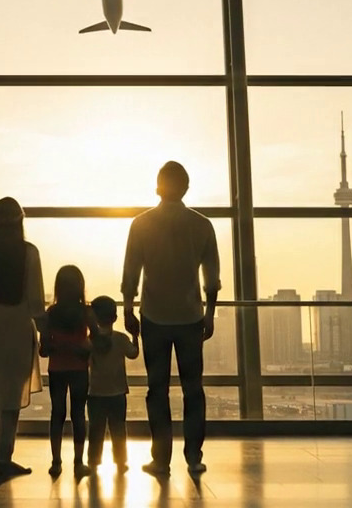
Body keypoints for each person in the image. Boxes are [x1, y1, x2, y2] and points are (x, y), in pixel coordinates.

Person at [121, 161, 219, 477]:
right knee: (193, 390)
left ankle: (161, 460)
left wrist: (128, 308)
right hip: (190, 316)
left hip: (154, 316)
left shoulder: (141, 224)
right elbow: (212, 278)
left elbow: (131, 272)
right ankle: (194, 457)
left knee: (157, 390)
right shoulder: (202, 225)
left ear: (158, 187)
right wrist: (209, 314)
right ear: (187, 188)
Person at [0, 197, 47, 479]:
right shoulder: (29, 253)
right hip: (17, 324)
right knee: (12, 395)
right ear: (20, 221)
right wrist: (44, 329)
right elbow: (36, 299)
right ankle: (5, 458)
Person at [41, 264, 94, 479]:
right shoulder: (86, 312)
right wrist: (81, 348)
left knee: (57, 414)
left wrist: (57, 347)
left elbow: (44, 348)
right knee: (79, 414)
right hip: (80, 368)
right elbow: (97, 338)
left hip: (57, 368)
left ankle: (56, 461)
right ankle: (79, 462)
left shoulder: (51, 313)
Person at [86, 295, 139, 474]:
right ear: (114, 318)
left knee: (95, 430)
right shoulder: (121, 339)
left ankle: (93, 461)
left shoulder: (90, 341)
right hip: (118, 392)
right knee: (118, 429)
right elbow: (133, 353)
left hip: (95, 392)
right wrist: (135, 336)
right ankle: (120, 461)